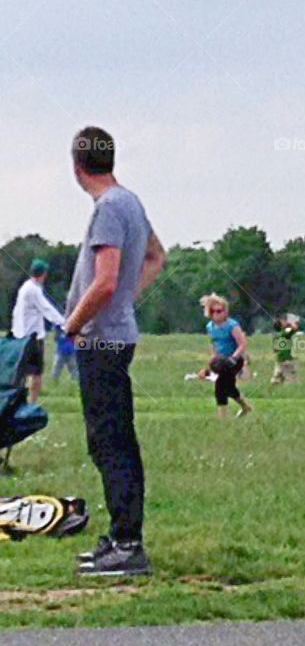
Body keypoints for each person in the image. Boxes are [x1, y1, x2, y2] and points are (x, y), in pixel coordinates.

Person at [64, 126, 166, 578]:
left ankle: (128, 542)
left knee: (109, 441)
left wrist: (72, 323)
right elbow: (155, 256)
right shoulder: (132, 202)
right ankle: (122, 535)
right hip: (117, 334)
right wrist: (128, 299)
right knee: (114, 437)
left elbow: (104, 281)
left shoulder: (107, 209)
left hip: (100, 340)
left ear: (77, 166)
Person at [11, 259, 65, 403]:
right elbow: (46, 309)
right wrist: (64, 323)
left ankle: (17, 401)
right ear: (44, 274)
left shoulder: (25, 287)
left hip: (20, 335)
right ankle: (32, 402)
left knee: (20, 372)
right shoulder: (34, 290)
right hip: (33, 337)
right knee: (36, 373)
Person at [200, 294, 252, 418]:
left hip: (235, 360)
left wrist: (233, 358)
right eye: (213, 311)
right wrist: (214, 358)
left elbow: (242, 343)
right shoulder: (210, 327)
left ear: (225, 311)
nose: (217, 314)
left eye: (219, 311)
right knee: (228, 386)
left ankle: (222, 418)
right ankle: (245, 406)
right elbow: (213, 343)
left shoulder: (232, 325)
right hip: (221, 361)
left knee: (220, 386)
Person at [270, 313, 300, 384]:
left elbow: (275, 350)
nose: (285, 321)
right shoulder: (285, 332)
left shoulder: (275, 335)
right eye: (283, 321)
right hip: (286, 359)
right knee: (292, 378)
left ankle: (274, 385)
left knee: (277, 377)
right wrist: (295, 321)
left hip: (279, 358)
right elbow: (295, 327)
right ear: (281, 325)